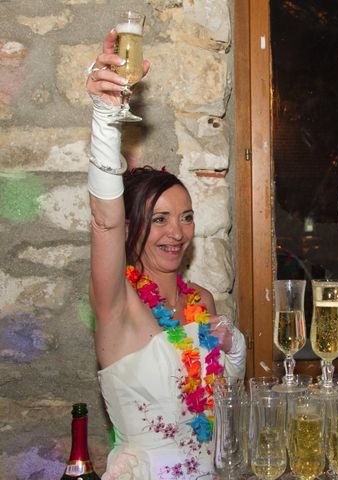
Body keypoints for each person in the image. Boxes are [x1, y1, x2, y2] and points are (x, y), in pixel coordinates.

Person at [86, 30, 246, 478]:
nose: (177, 232)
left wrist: (235, 353)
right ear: (132, 227)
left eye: (187, 216)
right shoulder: (117, 302)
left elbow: (218, 405)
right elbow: (104, 221)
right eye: (159, 219)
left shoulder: (203, 302)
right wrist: (104, 120)